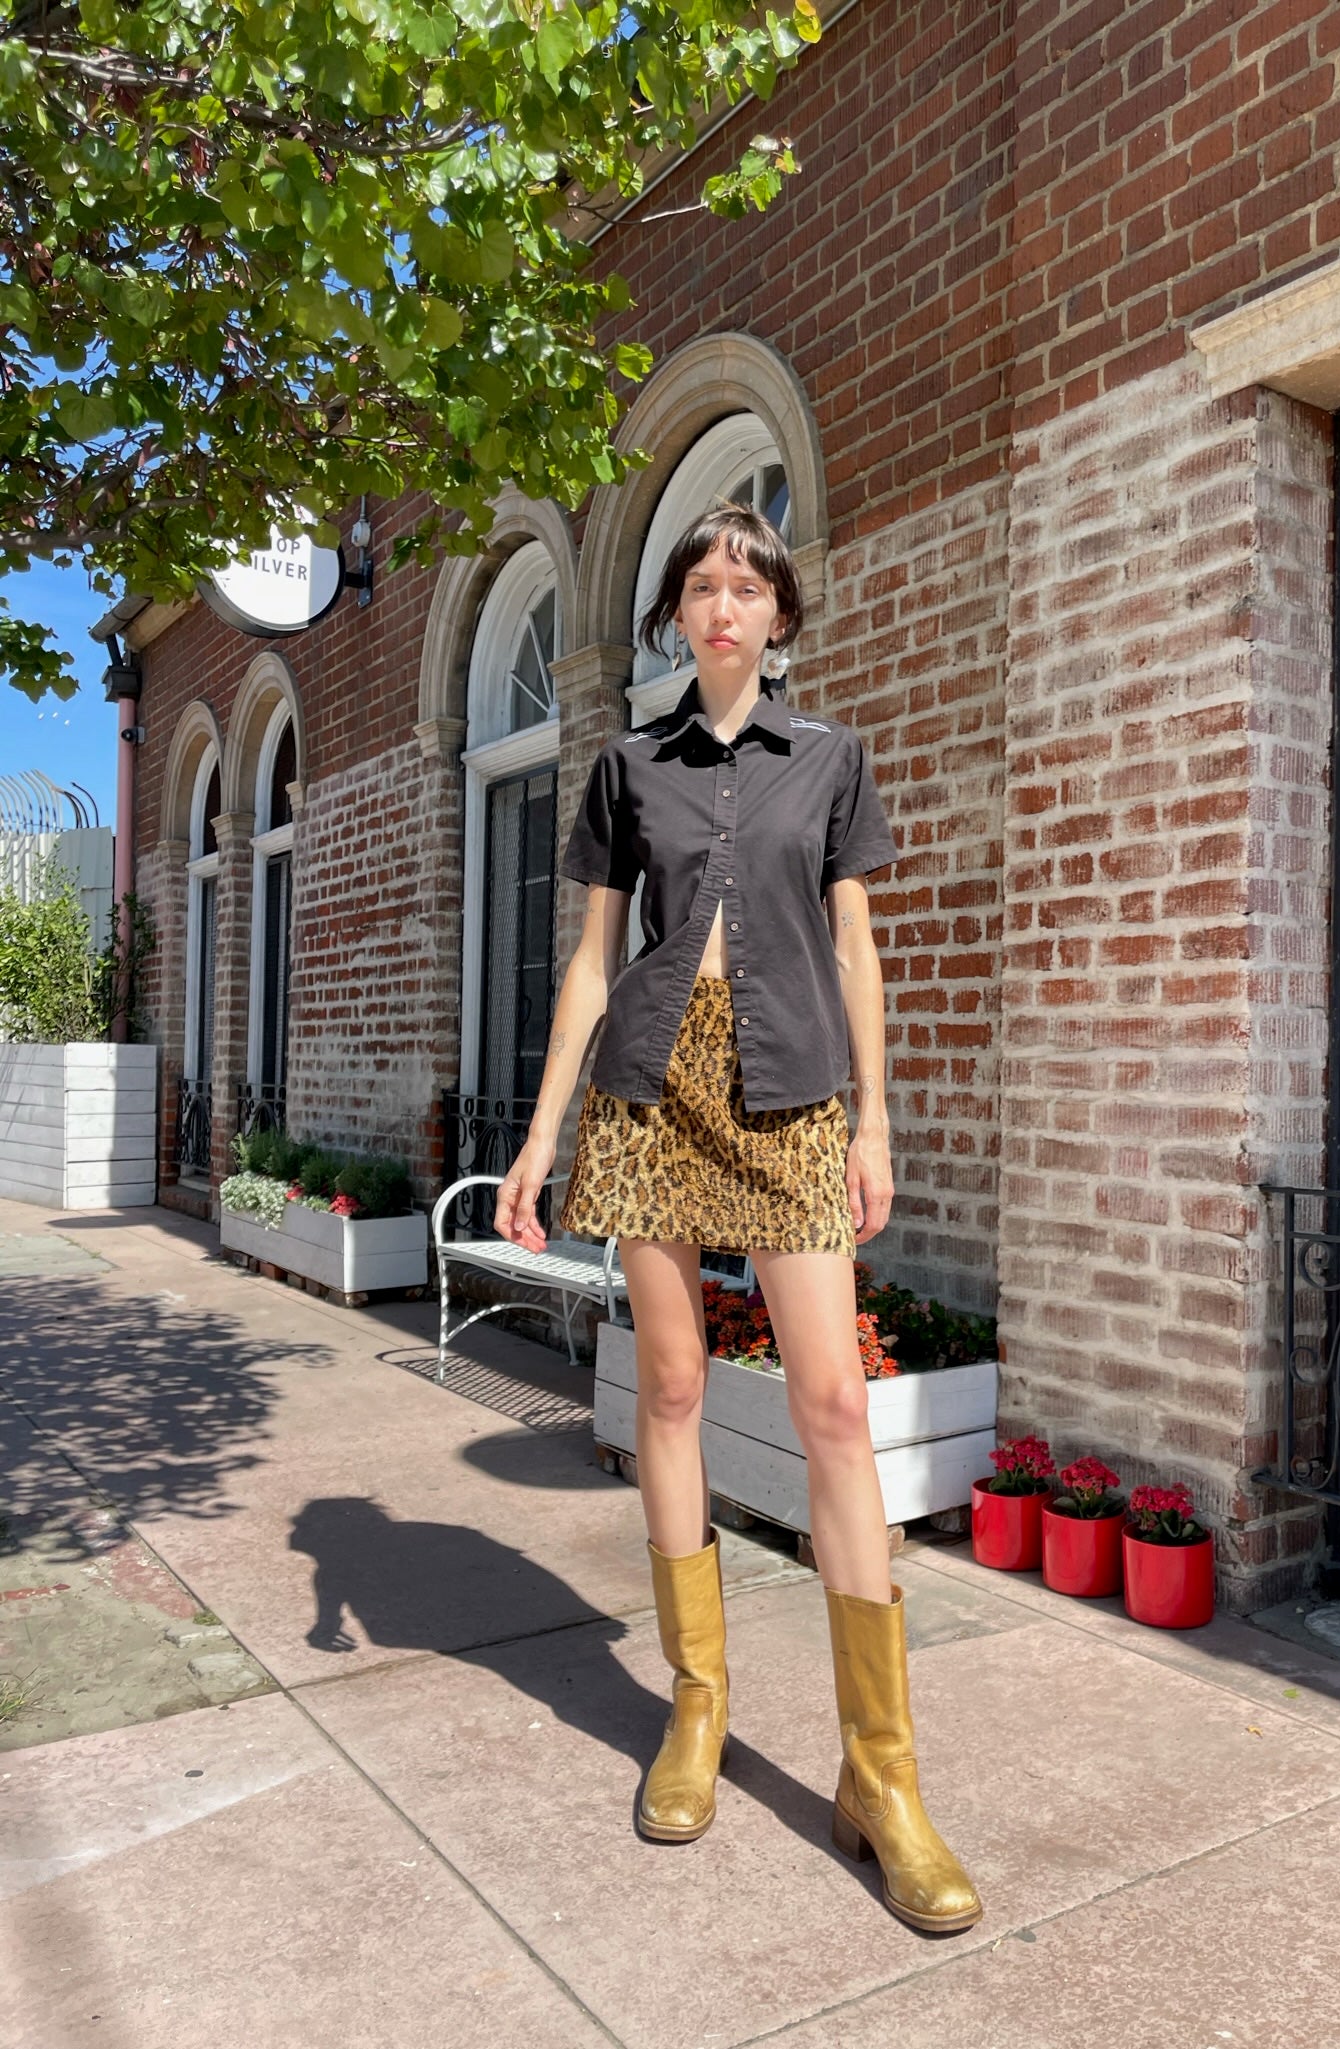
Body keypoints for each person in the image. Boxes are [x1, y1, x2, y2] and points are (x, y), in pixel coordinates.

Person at [491, 503, 981, 1934]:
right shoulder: (627, 763)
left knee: (833, 1404)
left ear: (779, 616)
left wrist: (875, 1119)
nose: (723, 606)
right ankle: (696, 1706)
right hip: (651, 1088)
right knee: (675, 1383)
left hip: (791, 1093)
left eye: (746, 586)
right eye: (701, 585)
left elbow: (853, 942)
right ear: (674, 615)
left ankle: (880, 1774)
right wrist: (536, 1140)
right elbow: (588, 967)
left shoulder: (828, 757)